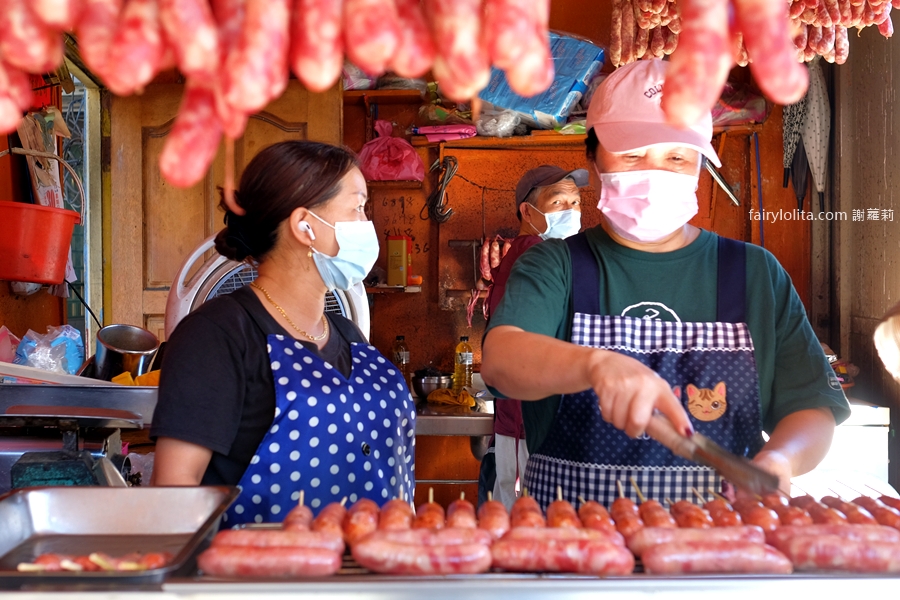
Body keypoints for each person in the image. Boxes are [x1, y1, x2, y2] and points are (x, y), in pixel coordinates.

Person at [481, 59, 850, 510]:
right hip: (574, 554)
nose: (655, 174)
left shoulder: (755, 273)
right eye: (633, 156)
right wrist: (596, 366)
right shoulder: (555, 265)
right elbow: (501, 360)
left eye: (676, 157)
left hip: (722, 551)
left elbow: (811, 406)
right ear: (593, 163)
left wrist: (780, 458)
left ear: (700, 165)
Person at [150, 141, 415, 524]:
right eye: (357, 207)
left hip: (372, 572)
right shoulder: (216, 336)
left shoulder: (347, 333)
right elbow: (175, 488)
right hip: (264, 579)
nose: (367, 223)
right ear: (304, 226)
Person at [481, 165, 588, 511]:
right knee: (525, 518)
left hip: (533, 416)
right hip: (524, 419)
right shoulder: (533, 252)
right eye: (558, 201)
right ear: (528, 211)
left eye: (575, 201)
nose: (571, 210)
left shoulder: (547, 254)